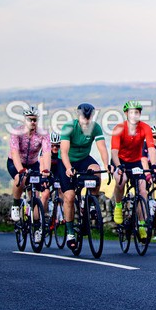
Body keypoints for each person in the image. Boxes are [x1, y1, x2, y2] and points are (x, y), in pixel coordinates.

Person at [58, 103, 110, 249]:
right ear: (78, 115)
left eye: (88, 117)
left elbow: (102, 148)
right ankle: (69, 232)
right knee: (69, 196)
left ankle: (91, 203)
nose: (86, 121)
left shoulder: (95, 127)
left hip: (84, 159)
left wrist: (107, 166)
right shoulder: (69, 127)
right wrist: (68, 168)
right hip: (67, 161)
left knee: (96, 170)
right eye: (83, 117)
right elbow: (64, 151)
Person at [110, 101, 156, 236]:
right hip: (119, 160)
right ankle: (118, 205)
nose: (134, 115)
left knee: (143, 191)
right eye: (131, 112)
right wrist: (118, 166)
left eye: (137, 112)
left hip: (136, 162)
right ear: (126, 114)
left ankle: (141, 225)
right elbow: (114, 151)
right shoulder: (119, 128)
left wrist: (153, 166)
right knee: (121, 179)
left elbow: (151, 148)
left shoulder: (145, 128)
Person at [7, 106, 51, 234]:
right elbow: (14, 153)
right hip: (15, 163)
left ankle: (37, 228)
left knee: (35, 196)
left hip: (33, 163)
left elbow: (47, 153)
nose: (33, 122)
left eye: (35, 120)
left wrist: (46, 170)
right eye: (30, 119)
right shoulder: (16, 132)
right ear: (24, 120)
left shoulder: (43, 134)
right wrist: (20, 170)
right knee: (20, 178)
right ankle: (16, 204)